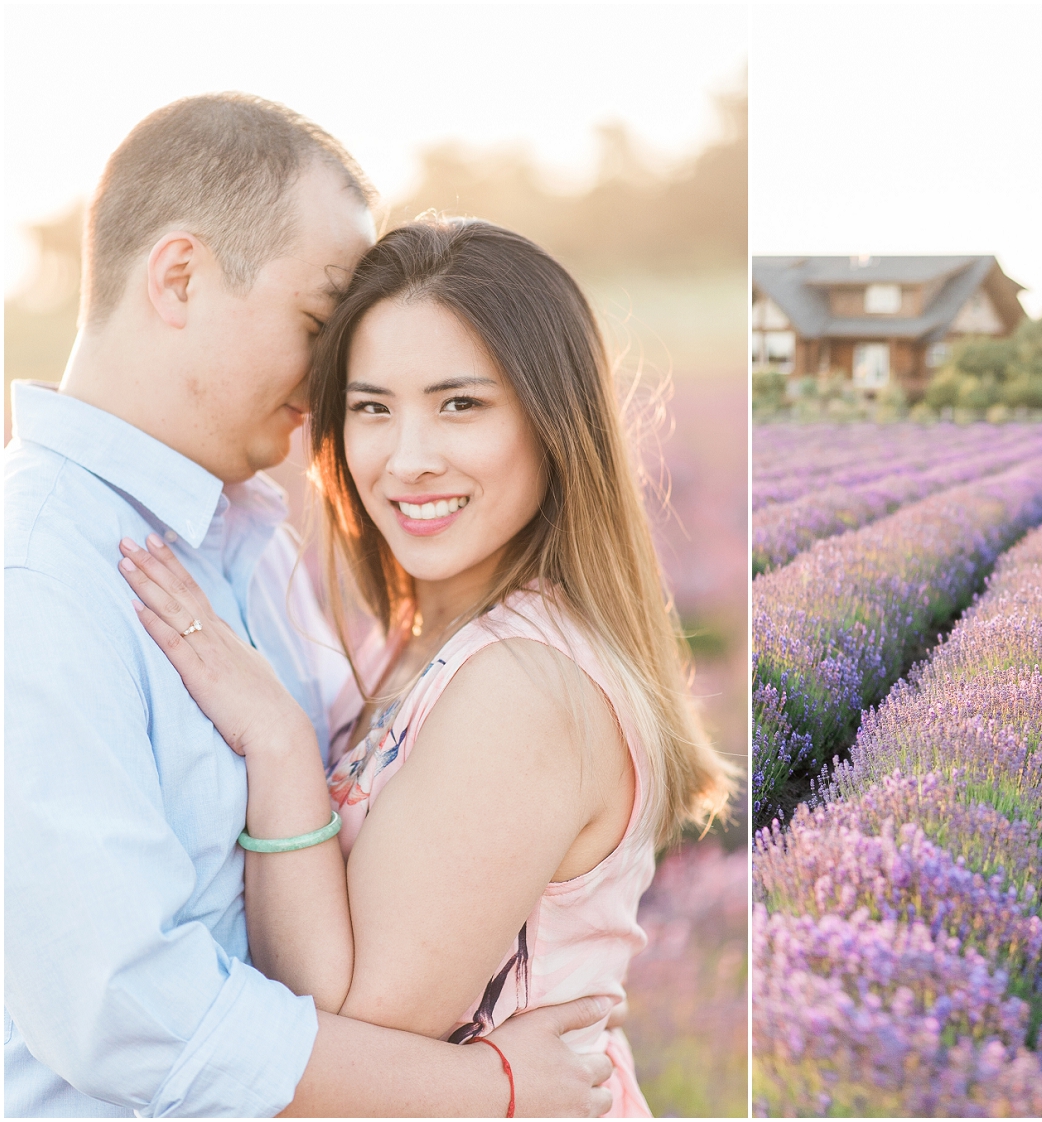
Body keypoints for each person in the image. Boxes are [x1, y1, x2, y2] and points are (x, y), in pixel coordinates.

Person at [6, 93, 617, 1117]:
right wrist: (483, 1089)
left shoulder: (249, 535)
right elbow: (122, 1009)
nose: (335, 379)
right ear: (180, 277)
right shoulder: (40, 575)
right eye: (315, 325)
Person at [115, 215, 735, 1117]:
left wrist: (279, 743)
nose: (408, 459)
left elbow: (355, 1045)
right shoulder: (427, 637)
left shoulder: (523, 686)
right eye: (373, 408)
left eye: (461, 405)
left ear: (552, 422)